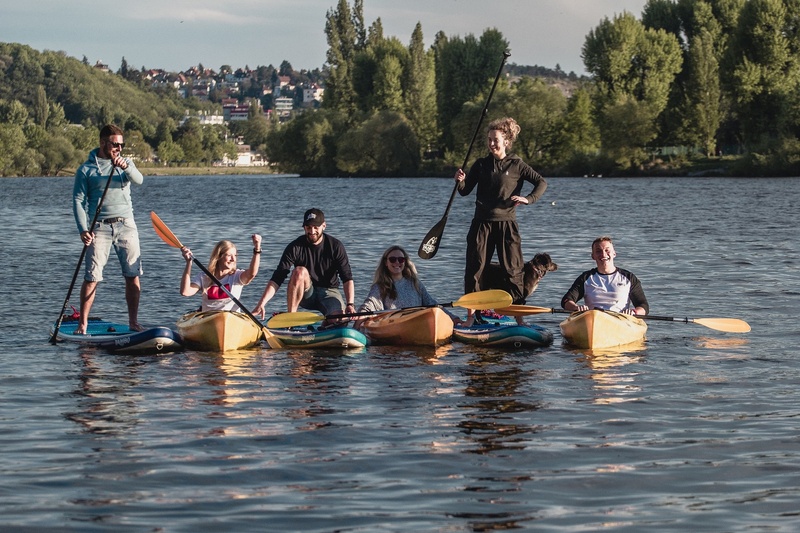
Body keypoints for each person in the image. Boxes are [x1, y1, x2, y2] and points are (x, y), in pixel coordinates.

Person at [454, 116, 548, 326]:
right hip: (481, 224)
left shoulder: (517, 165)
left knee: (513, 271)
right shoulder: (481, 164)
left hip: (507, 225)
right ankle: (471, 318)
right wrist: (460, 181)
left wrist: (528, 199)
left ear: (506, 141)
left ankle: (519, 319)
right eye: (489, 139)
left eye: (495, 140)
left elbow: (541, 183)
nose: (491, 143)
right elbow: (464, 191)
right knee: (475, 270)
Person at [72, 124, 144, 334]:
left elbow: (139, 180)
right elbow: (78, 201)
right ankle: (82, 324)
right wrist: (83, 229)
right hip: (99, 228)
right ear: (103, 143)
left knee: (132, 275)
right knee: (92, 277)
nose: (119, 148)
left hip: (126, 225)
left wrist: (126, 167)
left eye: (122, 145)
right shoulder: (86, 170)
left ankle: (133, 322)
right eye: (115, 144)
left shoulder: (126, 163)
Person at [253, 208, 355, 323]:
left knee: (340, 321)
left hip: (329, 292)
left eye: (316, 227)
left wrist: (350, 304)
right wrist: (262, 303)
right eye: (308, 227)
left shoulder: (336, 246)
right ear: (304, 227)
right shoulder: (295, 247)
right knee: (299, 271)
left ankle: (326, 323)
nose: (312, 231)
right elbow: (277, 278)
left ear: (324, 226)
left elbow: (347, 278)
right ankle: (291, 318)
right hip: (306, 293)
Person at [358, 245, 462, 324]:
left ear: (405, 262)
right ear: (386, 262)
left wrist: (453, 318)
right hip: (394, 325)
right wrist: (361, 315)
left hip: (417, 323)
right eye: (392, 259)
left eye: (401, 259)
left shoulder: (415, 284)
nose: (397, 262)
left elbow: (432, 304)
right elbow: (370, 304)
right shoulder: (380, 286)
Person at [561, 236, 649, 316]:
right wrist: (576, 307)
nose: (603, 254)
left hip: (620, 319)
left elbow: (643, 305)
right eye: (598, 251)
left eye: (607, 250)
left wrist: (635, 312)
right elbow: (566, 300)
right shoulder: (585, 278)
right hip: (593, 318)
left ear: (614, 254)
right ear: (593, 256)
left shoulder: (628, 278)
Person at [180, 234, 262, 311]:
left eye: (235, 255)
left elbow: (252, 273)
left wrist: (257, 250)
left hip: (231, 317)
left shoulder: (237, 276)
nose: (233, 259)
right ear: (218, 257)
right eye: (229, 255)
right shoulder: (204, 277)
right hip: (209, 318)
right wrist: (189, 263)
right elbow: (185, 292)